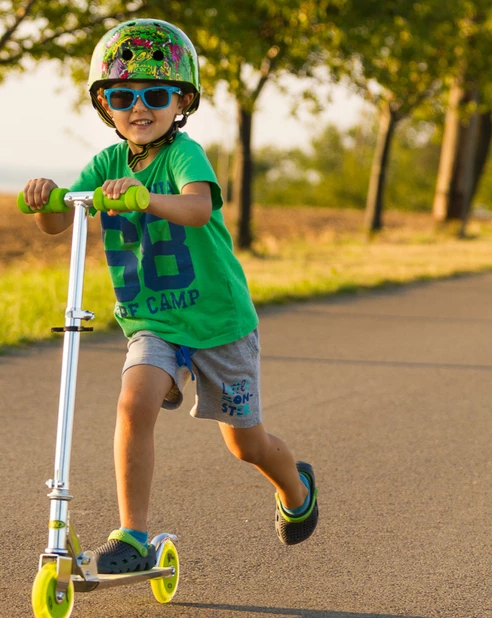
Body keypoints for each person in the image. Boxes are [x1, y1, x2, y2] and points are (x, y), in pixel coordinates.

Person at [23, 18, 319, 573]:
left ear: (181, 100)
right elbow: (61, 220)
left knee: (246, 446)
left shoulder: (185, 154)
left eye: (155, 94)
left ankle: (296, 485)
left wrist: (144, 198)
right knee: (134, 403)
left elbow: (197, 208)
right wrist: (46, 201)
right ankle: (133, 537)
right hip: (152, 322)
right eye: (122, 95)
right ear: (103, 103)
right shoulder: (108, 164)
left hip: (217, 324)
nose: (139, 107)